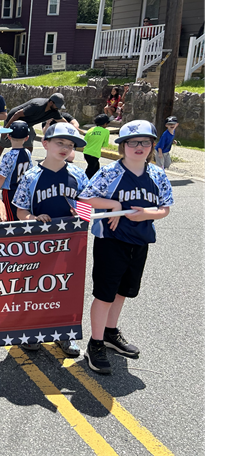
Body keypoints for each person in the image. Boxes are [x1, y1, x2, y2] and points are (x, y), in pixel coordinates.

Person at [77, 120, 174, 375]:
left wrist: (147, 214)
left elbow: (165, 208)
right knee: (105, 294)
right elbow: (83, 199)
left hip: (140, 242)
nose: (139, 147)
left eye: (145, 142)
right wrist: (114, 206)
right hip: (112, 242)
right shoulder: (110, 173)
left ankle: (110, 333)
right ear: (122, 147)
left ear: (153, 145)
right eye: (132, 142)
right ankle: (95, 343)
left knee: (123, 292)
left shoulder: (157, 174)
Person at [12, 122, 90, 358]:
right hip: (39, 246)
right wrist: (34, 218)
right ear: (44, 144)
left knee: (68, 289)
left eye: (70, 144)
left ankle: (65, 334)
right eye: (59, 143)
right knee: (37, 287)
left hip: (71, 245)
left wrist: (82, 214)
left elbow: (87, 207)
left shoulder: (78, 174)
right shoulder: (31, 176)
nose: (65, 148)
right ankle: (32, 331)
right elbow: (21, 211)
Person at [0, 93, 70, 162]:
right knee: (3, 144)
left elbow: (64, 122)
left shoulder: (54, 112)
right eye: (57, 106)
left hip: (27, 124)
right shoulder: (37, 106)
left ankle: (25, 167)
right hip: (15, 120)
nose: (58, 108)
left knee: (29, 145)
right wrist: (7, 129)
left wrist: (71, 130)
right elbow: (17, 114)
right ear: (50, 103)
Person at [0, 121, 34, 214]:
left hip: (10, 190)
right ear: (26, 138)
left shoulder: (9, 156)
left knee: (9, 215)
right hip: (22, 189)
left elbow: (2, 176)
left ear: (9, 137)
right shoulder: (27, 152)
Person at [83, 114, 111, 180]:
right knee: (90, 170)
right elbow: (105, 145)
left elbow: (85, 141)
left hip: (86, 152)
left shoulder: (90, 129)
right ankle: (84, 181)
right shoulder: (106, 131)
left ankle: (94, 181)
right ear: (105, 124)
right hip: (95, 153)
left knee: (95, 168)